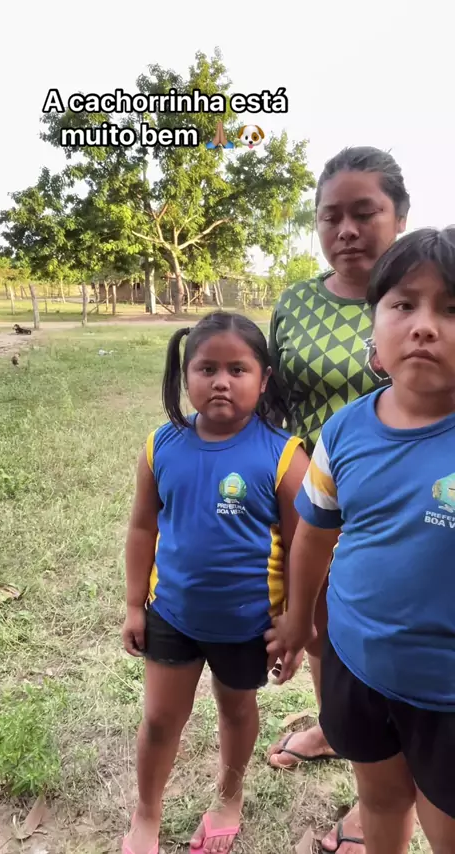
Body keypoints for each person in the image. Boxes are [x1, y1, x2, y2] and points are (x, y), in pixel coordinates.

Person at [268, 226, 455, 854]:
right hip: (357, 664)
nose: (424, 326)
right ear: (374, 324)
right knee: (380, 798)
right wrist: (298, 619)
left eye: (451, 309)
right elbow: (314, 538)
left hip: (446, 694)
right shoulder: (345, 431)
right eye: (403, 304)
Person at [121, 312, 309, 854]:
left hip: (248, 625)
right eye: (206, 369)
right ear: (186, 376)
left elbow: (305, 547)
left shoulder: (284, 455)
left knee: (236, 709)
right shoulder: (162, 446)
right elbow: (142, 528)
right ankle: (146, 812)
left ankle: (229, 797)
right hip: (172, 614)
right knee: (160, 719)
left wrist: (295, 622)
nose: (221, 381)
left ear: (264, 379)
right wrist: (134, 605)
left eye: (237, 369)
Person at [267, 146, 410, 853]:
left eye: (365, 212)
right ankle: (335, 726)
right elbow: (275, 403)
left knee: (386, 642)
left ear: (399, 216)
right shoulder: (295, 303)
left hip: (397, 511)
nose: (346, 230)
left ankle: (376, 796)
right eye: (331, 216)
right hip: (310, 503)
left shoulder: (419, 297)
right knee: (321, 630)